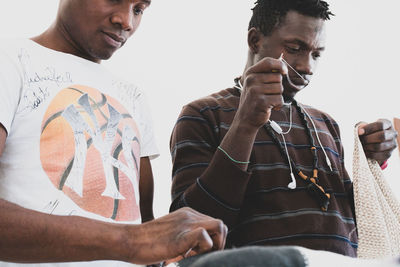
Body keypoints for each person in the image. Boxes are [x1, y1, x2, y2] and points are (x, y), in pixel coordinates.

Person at [0, 0, 227, 266]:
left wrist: (169, 253)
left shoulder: (132, 96)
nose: (126, 22)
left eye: (139, 9)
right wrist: (132, 241)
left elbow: (144, 226)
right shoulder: (10, 60)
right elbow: (138, 238)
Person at [170, 0, 398, 258]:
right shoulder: (203, 115)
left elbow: (349, 227)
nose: (307, 67)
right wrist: (244, 126)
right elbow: (188, 231)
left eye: (317, 54)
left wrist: (373, 163)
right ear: (255, 40)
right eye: (294, 48)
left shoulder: (326, 124)